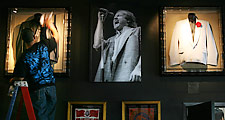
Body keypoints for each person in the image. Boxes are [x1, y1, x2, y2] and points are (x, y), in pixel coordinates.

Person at [10, 13, 59, 120]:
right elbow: (56, 37)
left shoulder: (23, 57)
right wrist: (49, 24)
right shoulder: (43, 46)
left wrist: (12, 79)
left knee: (41, 117)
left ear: (23, 40)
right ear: (34, 37)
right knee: (51, 117)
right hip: (51, 87)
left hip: (37, 90)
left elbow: (20, 78)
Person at [93, 9, 141, 82]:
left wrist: (139, 69)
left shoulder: (137, 31)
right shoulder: (111, 40)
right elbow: (97, 45)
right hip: (111, 77)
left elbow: (148, 51)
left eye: (119, 16)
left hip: (128, 75)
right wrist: (100, 21)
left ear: (128, 20)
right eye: (114, 17)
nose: (115, 18)